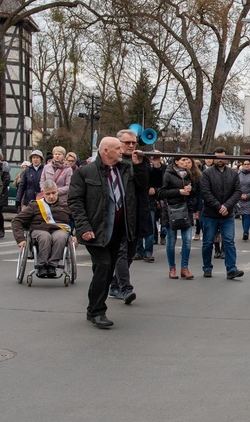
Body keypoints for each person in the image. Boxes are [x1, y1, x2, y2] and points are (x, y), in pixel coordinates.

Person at [68, 136, 147, 329]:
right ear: (105, 151)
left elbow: (142, 187)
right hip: (96, 231)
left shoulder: (125, 170)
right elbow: (75, 202)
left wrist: (138, 165)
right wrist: (84, 227)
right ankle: (98, 311)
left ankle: (92, 307)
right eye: (118, 148)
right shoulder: (85, 172)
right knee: (104, 266)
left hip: (119, 230)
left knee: (104, 270)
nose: (122, 151)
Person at [107, 129, 151, 304]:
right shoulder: (113, 161)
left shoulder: (140, 161)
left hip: (135, 214)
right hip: (117, 215)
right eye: (127, 143)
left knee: (130, 253)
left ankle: (115, 285)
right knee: (121, 252)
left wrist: (140, 165)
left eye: (133, 143)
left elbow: (144, 185)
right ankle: (125, 288)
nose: (131, 146)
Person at [11, 180, 73, 277]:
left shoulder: (65, 206)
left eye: (53, 193)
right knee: (45, 237)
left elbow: (79, 221)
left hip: (59, 230)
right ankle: (42, 265)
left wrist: (77, 236)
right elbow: (16, 220)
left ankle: (52, 265)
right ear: (43, 193)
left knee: (60, 237)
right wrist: (20, 239)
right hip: (39, 230)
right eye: (48, 194)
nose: (51, 196)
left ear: (57, 191)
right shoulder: (35, 205)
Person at [199, 147, 242, 279]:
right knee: (207, 242)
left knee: (229, 241)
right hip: (210, 214)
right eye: (217, 157)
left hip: (227, 215)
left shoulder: (233, 174)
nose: (220, 160)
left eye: (222, 157)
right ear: (214, 158)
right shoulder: (207, 173)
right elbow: (205, 193)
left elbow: (238, 192)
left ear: (226, 157)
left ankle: (231, 269)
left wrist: (227, 206)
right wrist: (219, 207)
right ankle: (207, 267)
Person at [160, 155, 200, 279]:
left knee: (187, 240)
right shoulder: (168, 174)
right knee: (171, 241)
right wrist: (179, 191)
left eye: (187, 160)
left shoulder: (189, 174)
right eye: (183, 160)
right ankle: (172, 268)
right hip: (171, 210)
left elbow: (195, 192)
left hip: (186, 210)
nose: (186, 162)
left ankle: (185, 268)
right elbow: (162, 192)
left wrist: (190, 189)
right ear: (176, 162)